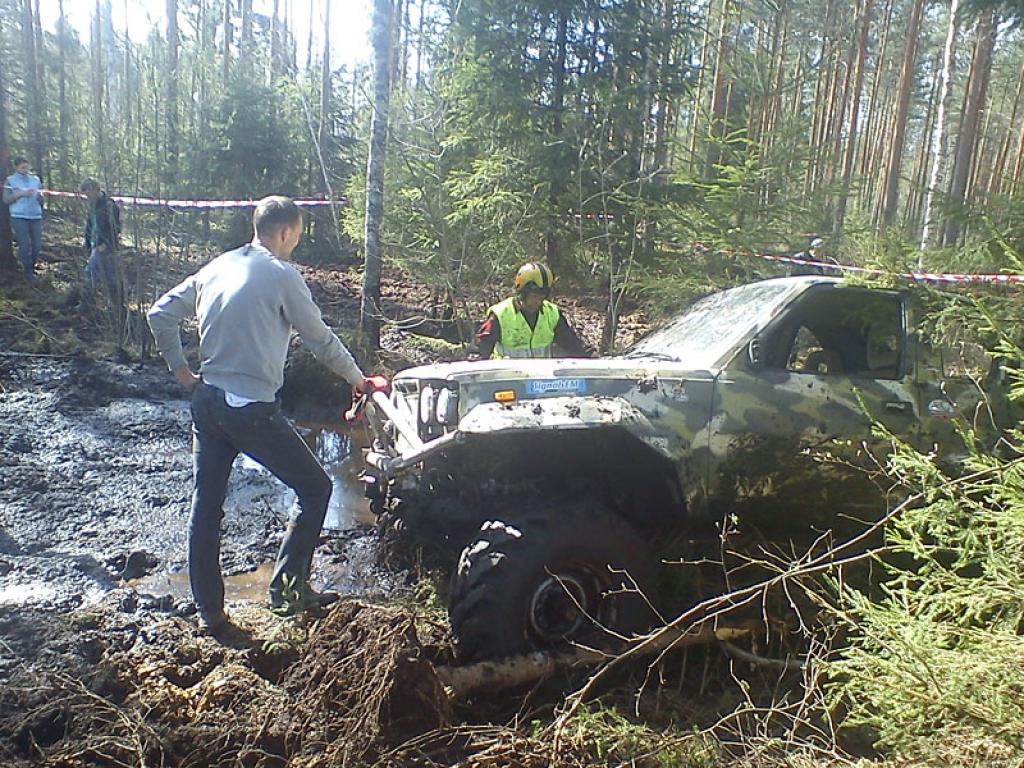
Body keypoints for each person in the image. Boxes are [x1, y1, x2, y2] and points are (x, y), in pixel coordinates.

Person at [147, 195, 385, 635]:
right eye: (296, 237)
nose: (295, 244)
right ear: (285, 232)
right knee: (315, 487)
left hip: (207, 401)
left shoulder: (217, 266)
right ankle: (288, 593)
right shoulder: (281, 275)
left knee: (206, 507)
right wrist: (358, 379)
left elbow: (160, 314)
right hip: (250, 408)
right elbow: (320, 339)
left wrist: (181, 371)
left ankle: (210, 613)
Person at [474, 262, 589, 359]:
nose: (538, 301)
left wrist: (591, 355)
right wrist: (475, 356)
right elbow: (479, 346)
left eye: (542, 297)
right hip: (508, 377)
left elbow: (573, 344)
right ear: (523, 292)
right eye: (534, 296)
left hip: (541, 377)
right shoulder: (501, 315)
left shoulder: (552, 313)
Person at [79, 179, 122, 310]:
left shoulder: (109, 206)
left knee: (90, 272)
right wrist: (87, 243)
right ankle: (117, 304)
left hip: (104, 246)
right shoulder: (93, 205)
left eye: (88, 193)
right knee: (109, 276)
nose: (87, 197)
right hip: (94, 245)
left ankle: (86, 304)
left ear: (94, 189)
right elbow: (90, 226)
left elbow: (115, 228)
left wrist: (106, 244)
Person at [2, 157, 44, 281]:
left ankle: (32, 266)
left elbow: (41, 197)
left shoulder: (35, 180)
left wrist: (41, 197)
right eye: (22, 167)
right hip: (19, 216)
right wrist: (20, 194)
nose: (25, 170)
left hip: (35, 215)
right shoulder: (10, 180)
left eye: (27, 167)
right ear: (16, 167)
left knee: (37, 245)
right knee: (24, 244)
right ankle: (28, 272)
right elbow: (6, 199)